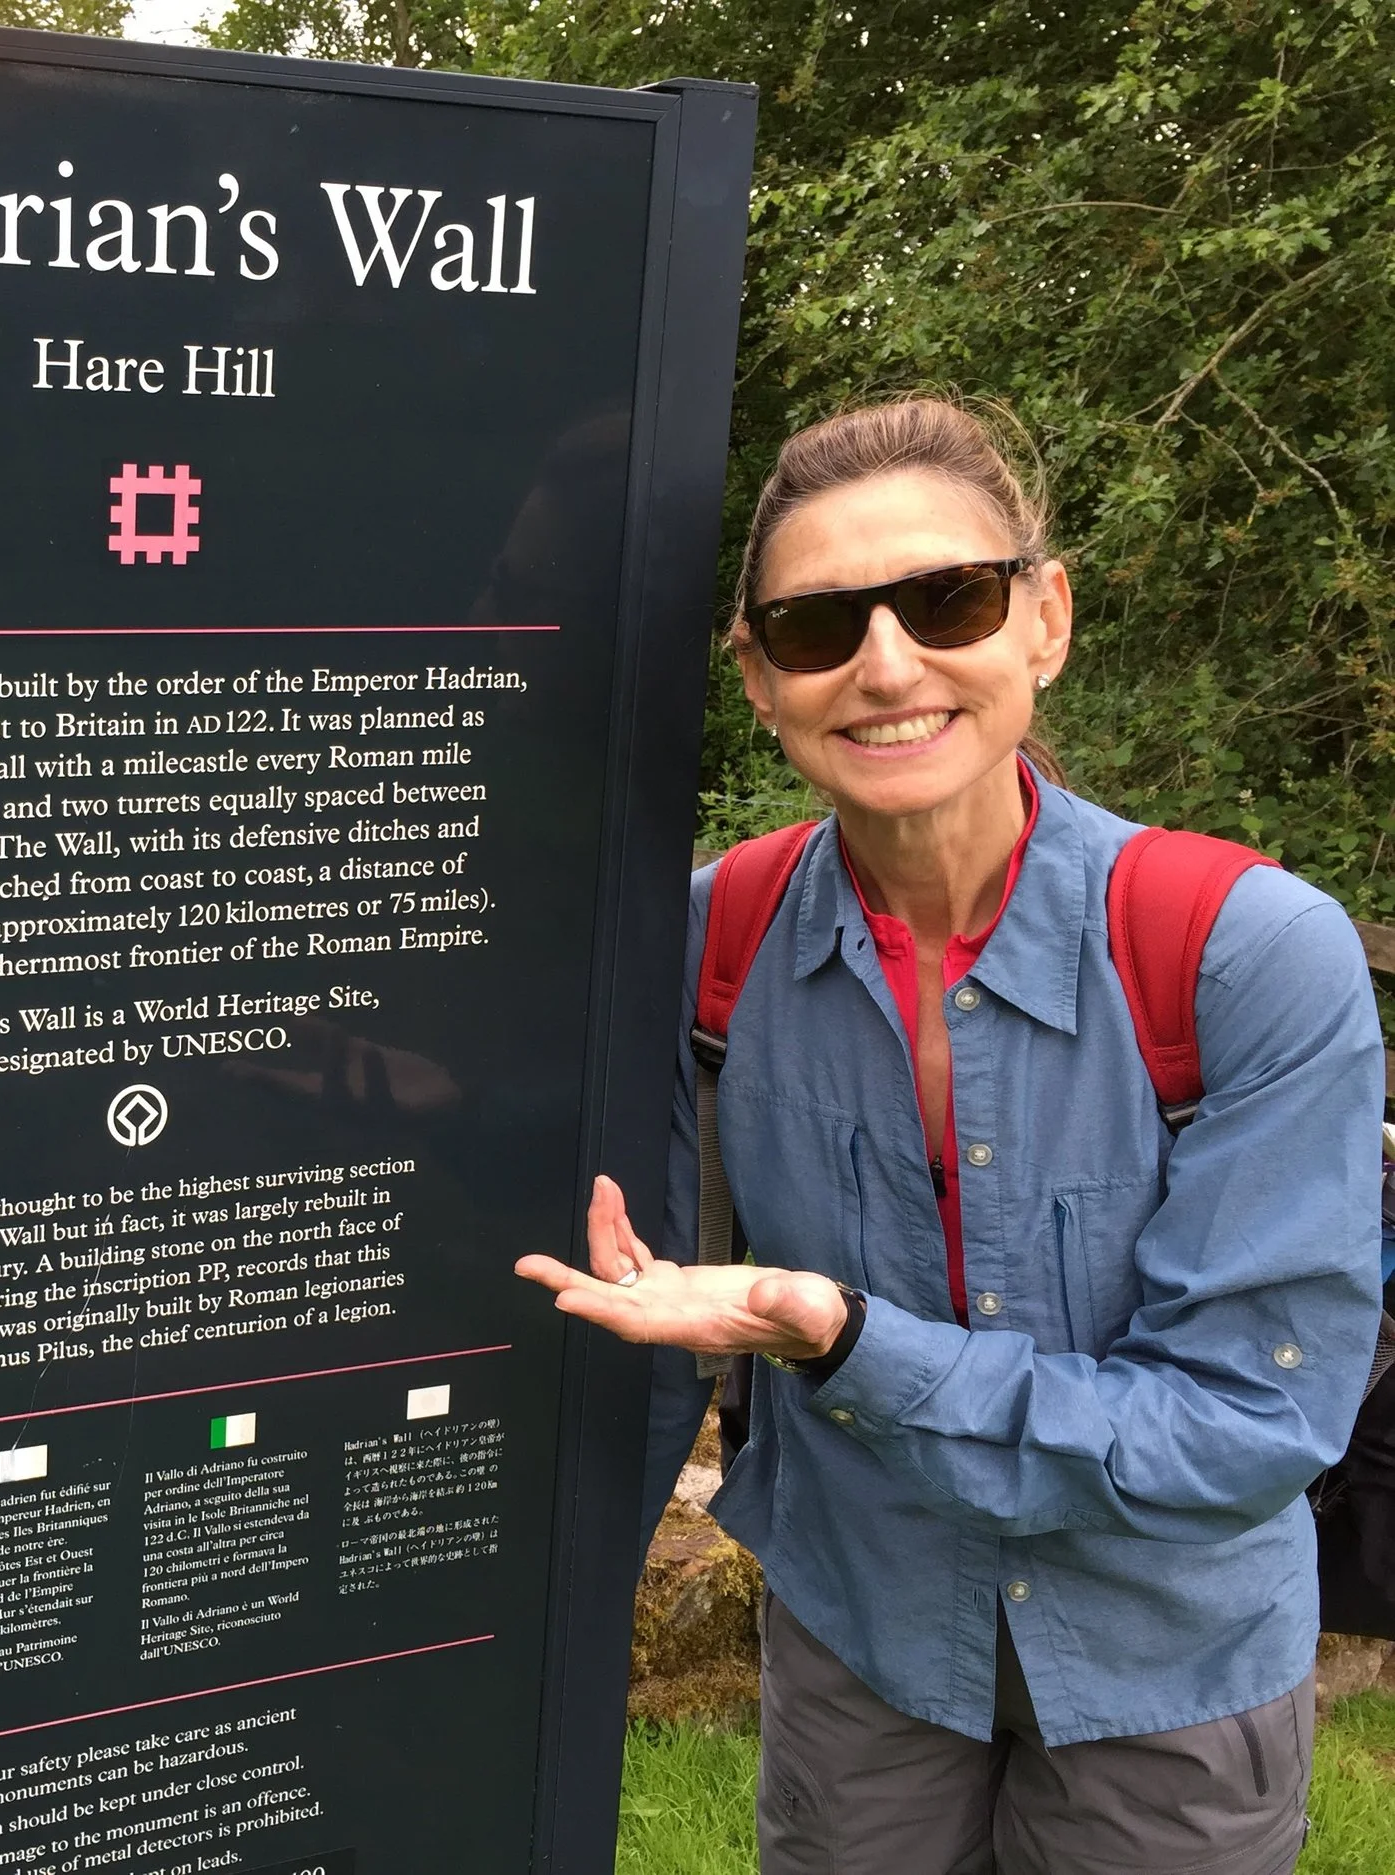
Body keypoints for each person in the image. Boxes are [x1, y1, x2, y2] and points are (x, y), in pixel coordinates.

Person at [514, 397, 1385, 1874]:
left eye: (948, 599)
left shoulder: (1238, 955)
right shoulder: (714, 943)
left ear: (1045, 619)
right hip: (862, 1643)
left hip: (1166, 1671)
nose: (886, 664)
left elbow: (1249, 1422)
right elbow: (624, 1281)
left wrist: (850, 1339)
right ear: (759, 678)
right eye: (817, 625)